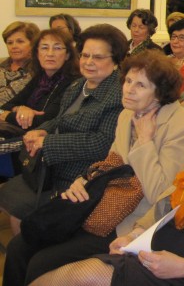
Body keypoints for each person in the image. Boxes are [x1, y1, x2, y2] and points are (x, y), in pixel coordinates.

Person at [6, 51, 184, 286]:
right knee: (19, 247)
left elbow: (159, 193)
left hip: (132, 222)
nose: (129, 90)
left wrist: (145, 141)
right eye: (128, 81)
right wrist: (84, 179)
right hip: (102, 206)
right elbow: (112, 163)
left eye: (140, 85)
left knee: (42, 262)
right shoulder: (127, 114)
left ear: (160, 92)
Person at [0, 24, 128, 233]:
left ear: (116, 60)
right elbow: (59, 119)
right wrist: (42, 130)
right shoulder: (78, 86)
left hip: (81, 177)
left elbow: (102, 143)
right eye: (85, 55)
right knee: (14, 200)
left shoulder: (118, 94)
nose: (88, 62)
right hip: (51, 169)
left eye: (98, 57)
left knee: (21, 209)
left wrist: (47, 142)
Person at [0, 29, 80, 137]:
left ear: (67, 55)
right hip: (21, 132)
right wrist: (20, 108)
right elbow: (6, 106)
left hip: (45, 138)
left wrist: (5, 115)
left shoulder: (74, 82)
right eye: (44, 48)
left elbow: (44, 121)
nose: (50, 54)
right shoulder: (40, 78)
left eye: (57, 48)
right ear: (37, 54)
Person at [0, 21, 40, 105]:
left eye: (20, 41)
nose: (14, 46)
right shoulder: (2, 66)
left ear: (33, 44)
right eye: (10, 43)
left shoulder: (38, 71)